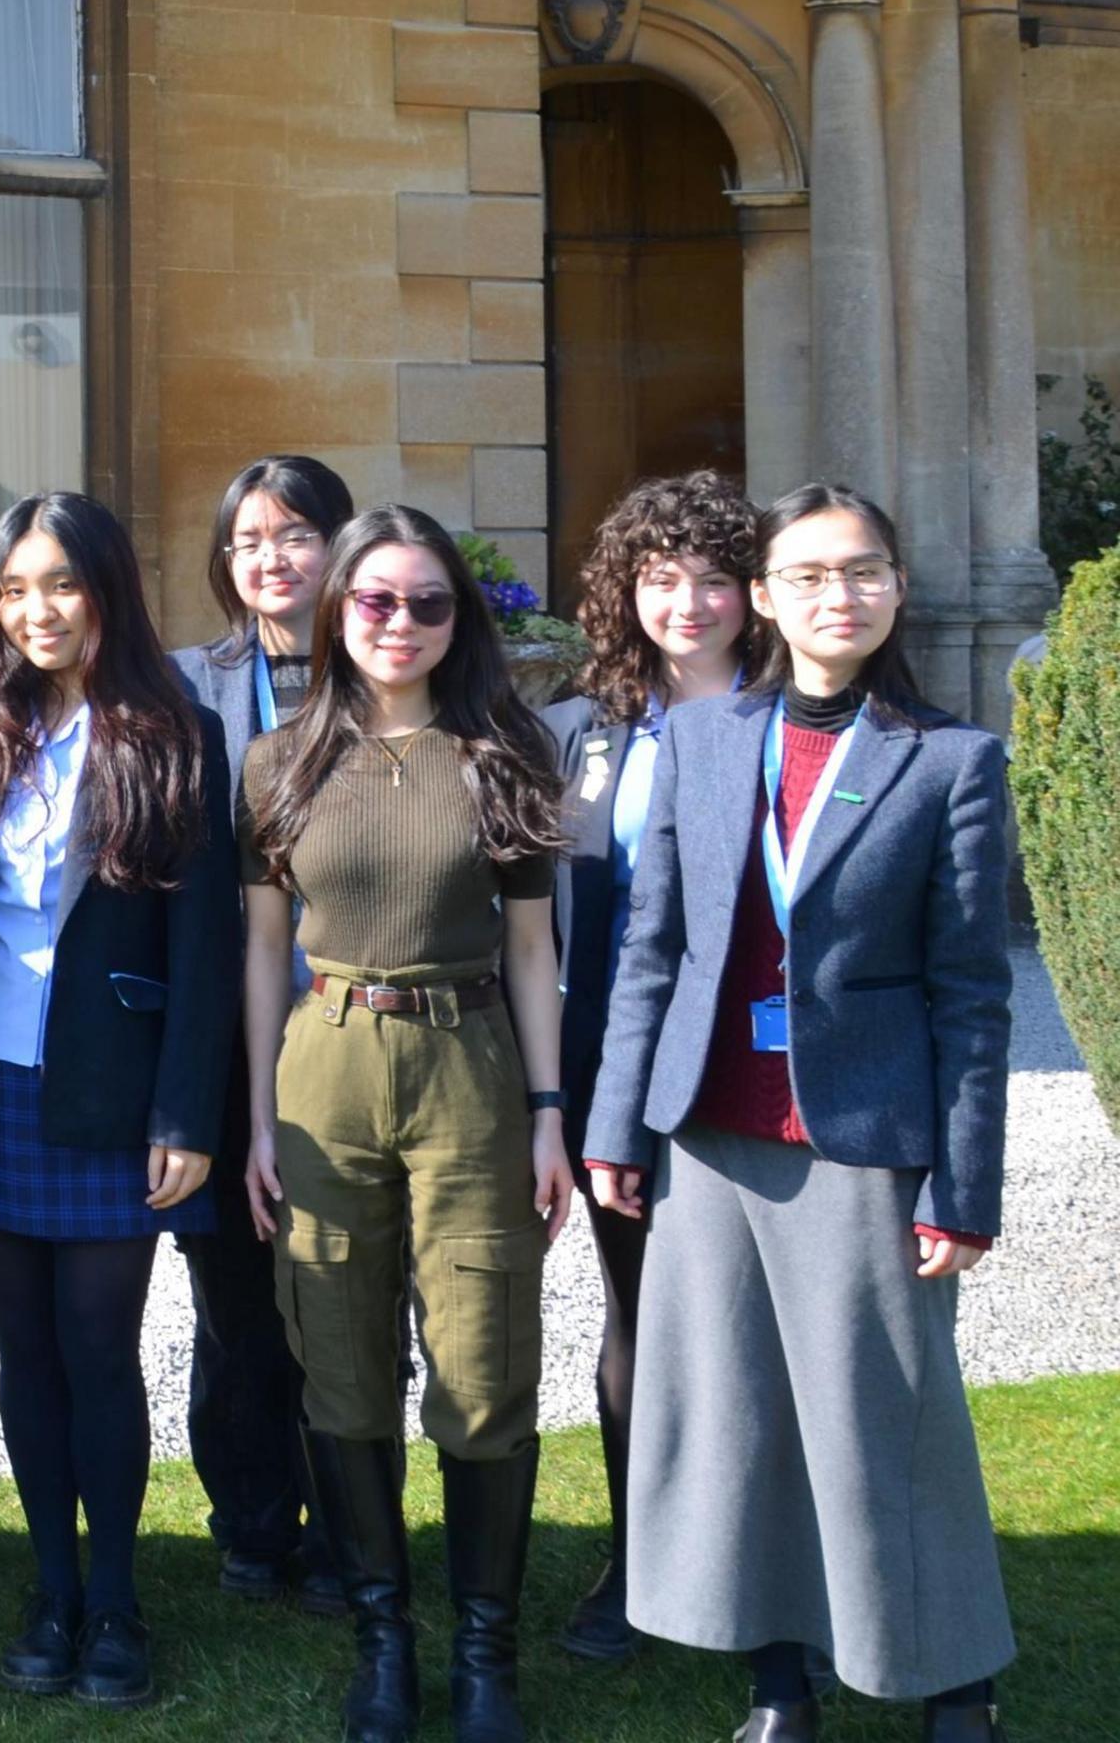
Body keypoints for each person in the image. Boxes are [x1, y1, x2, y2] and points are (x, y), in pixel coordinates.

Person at [585, 484, 1016, 1742]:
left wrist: (965, 1186)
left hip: (865, 1142)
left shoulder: (951, 762)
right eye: (812, 575)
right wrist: (619, 1124)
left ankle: (955, 1683)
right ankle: (780, 1683)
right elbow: (651, 947)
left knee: (890, 1420)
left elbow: (972, 996)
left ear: (894, 591)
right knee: (741, 1418)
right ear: (766, 597)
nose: (842, 596)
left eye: (865, 571)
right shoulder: (710, 740)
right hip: (713, 1138)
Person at [0, 493, 235, 1706]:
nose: (38, 611)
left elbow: (203, 946)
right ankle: (50, 1589)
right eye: (16, 589)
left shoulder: (177, 731)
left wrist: (188, 1116)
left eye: (63, 586)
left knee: (101, 1351)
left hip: (111, 1089)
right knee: (22, 1356)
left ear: (106, 591)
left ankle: (118, 1603)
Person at [239, 506, 572, 1743]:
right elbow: (265, 948)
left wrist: (547, 1113)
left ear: (458, 619)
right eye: (376, 599)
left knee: (484, 1368)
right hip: (327, 1063)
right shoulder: (281, 762)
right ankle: (385, 1638)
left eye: (428, 602)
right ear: (337, 612)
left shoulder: (504, 749)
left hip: (470, 1062)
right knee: (340, 1354)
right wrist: (264, 1113)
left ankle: (487, 1655)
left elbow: (535, 948)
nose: (400, 623)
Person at [538, 470, 767, 1666]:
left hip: (744, 1076)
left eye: (715, 579)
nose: (688, 602)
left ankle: (766, 1569)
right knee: (637, 1316)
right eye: (663, 577)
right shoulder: (583, 730)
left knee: (754, 1325)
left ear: (753, 594)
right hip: (607, 1077)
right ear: (627, 589)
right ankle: (637, 1565)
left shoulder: (793, 717)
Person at [164, 453, 360, 1612]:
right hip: (227, 1042)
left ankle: (349, 1525)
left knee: (349, 1295)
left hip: (355, 1033)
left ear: (338, 547)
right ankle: (252, 1523)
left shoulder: (386, 673)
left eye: (294, 536)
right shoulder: (188, 688)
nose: (271, 559)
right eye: (248, 541)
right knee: (233, 1300)